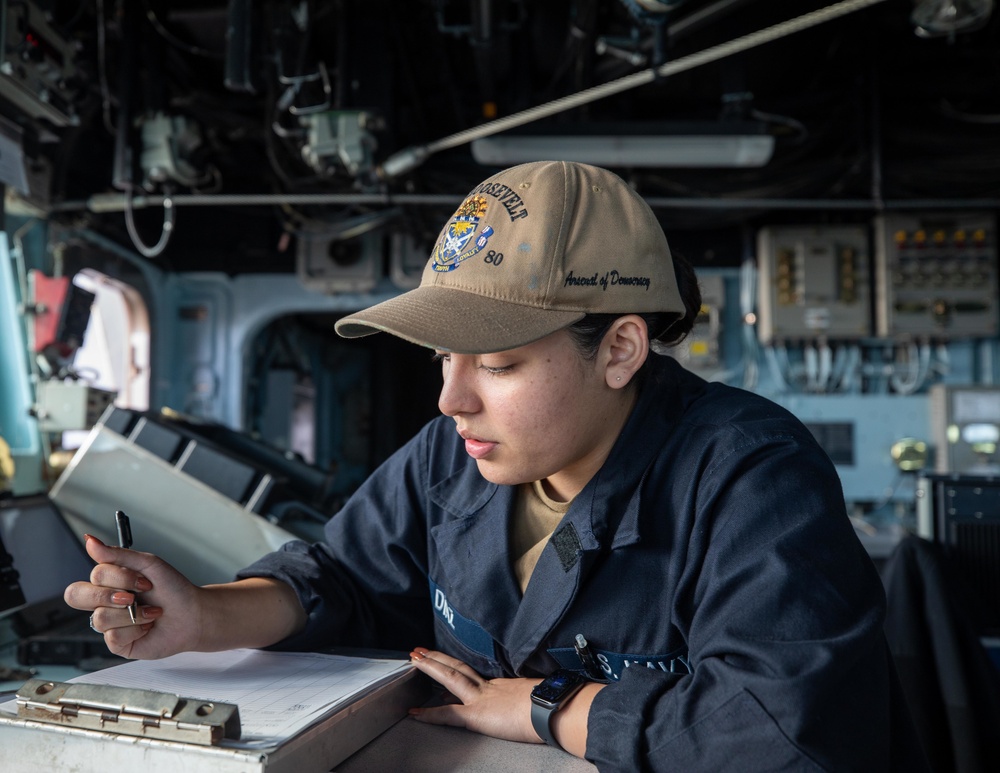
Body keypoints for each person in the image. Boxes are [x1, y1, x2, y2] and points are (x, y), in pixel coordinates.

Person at [65, 160, 927, 771]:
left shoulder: (748, 473)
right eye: (442, 359)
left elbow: (782, 731)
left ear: (620, 347)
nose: (453, 400)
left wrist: (539, 705)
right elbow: (341, 576)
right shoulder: (454, 455)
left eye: (499, 364)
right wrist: (205, 615)